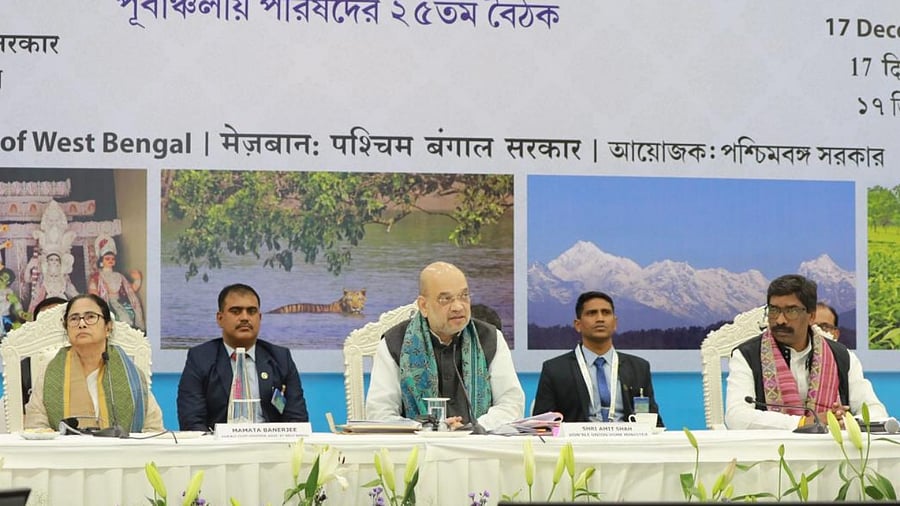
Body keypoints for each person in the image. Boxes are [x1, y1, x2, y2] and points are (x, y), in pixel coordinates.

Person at [365, 261, 525, 432]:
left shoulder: (490, 338)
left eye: (464, 296)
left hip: (479, 448)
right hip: (417, 449)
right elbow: (379, 413)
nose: (458, 307)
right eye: (445, 299)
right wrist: (426, 428)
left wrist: (475, 428)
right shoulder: (394, 342)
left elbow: (511, 403)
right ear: (424, 306)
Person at [725, 274, 887, 430]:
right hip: (771, 453)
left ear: (811, 316)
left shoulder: (842, 356)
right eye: (774, 310)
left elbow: (876, 411)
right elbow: (736, 417)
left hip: (831, 452)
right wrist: (804, 422)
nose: (780, 320)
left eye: (791, 311)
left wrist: (842, 421)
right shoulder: (746, 356)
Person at [177, 283, 309, 431]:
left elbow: (297, 420)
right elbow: (191, 421)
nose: (245, 317)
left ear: (259, 318)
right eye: (236, 311)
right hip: (219, 448)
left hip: (270, 447)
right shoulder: (200, 358)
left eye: (251, 311)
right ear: (220, 318)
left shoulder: (280, 358)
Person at [24, 294, 163, 432]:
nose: (82, 324)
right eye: (74, 319)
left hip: (121, 452)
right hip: (65, 452)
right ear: (66, 329)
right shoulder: (51, 373)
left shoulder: (131, 375)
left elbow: (153, 427)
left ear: (108, 327)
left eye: (90, 317)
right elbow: (36, 426)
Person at [532, 291, 664, 425]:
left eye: (606, 313)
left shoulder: (638, 367)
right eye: (592, 313)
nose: (600, 318)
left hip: (627, 442)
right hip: (578, 443)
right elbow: (542, 425)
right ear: (578, 325)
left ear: (615, 323)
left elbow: (653, 421)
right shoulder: (555, 369)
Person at [88, 234, 145, 330]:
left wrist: (138, 280)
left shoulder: (119, 276)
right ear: (101, 261)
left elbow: (130, 289)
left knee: (129, 317)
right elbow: (94, 295)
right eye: (107, 259)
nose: (110, 261)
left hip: (121, 303)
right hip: (107, 304)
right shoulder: (97, 277)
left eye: (112, 259)